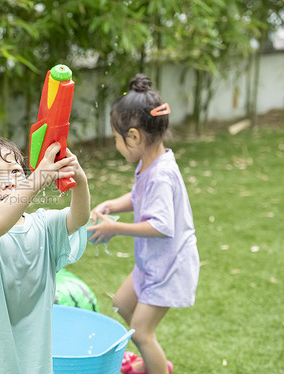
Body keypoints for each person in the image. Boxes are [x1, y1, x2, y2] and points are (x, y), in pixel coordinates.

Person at [0, 137, 90, 374]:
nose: (8, 181)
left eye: (14, 171)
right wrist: (37, 180)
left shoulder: (44, 225)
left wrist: (80, 180)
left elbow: (79, 217)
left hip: (35, 365)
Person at [88, 74, 199, 374]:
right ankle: (152, 361)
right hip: (153, 262)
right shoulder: (150, 164)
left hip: (170, 267)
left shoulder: (161, 175)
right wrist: (113, 204)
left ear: (134, 136)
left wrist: (114, 227)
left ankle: (156, 365)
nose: (116, 144)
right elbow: (140, 197)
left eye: (116, 138)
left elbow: (162, 226)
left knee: (140, 331)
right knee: (123, 305)